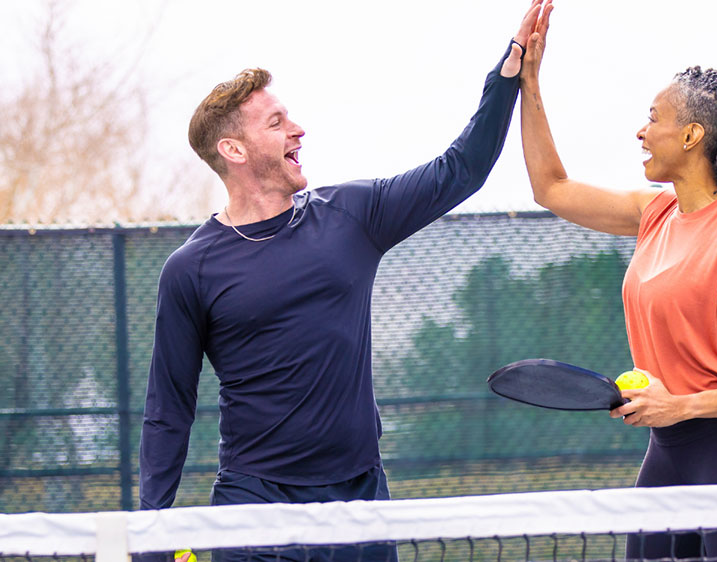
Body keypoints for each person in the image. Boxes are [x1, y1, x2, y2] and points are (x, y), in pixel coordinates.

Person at [138, 3, 547, 561]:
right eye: (276, 123)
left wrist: (506, 76)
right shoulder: (191, 269)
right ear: (233, 150)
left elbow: (462, 169)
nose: (298, 128)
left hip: (359, 502)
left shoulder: (352, 214)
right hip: (254, 508)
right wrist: (151, 534)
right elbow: (169, 408)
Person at [519, 3, 717, 560]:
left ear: (693, 134)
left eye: (654, 118)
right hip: (667, 455)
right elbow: (550, 187)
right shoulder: (653, 214)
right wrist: (530, 84)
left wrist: (679, 404)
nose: (641, 131)